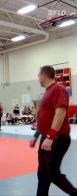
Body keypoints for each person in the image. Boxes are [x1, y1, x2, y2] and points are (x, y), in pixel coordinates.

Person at [30, 66, 77, 196]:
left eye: (38, 76)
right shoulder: (47, 92)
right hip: (46, 137)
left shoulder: (58, 89)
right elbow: (46, 118)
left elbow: (60, 113)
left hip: (56, 139)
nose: (38, 79)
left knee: (52, 174)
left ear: (44, 76)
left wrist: (50, 137)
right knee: (42, 174)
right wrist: (36, 135)